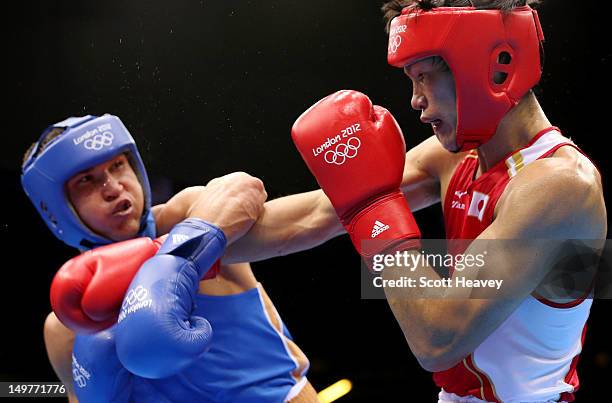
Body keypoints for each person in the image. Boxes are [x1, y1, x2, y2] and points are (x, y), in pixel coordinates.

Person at [286, 0, 605, 401]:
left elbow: (437, 341)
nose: (416, 100)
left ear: (494, 64)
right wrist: (196, 228)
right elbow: (317, 213)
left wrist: (374, 209)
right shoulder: (457, 161)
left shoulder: (562, 186)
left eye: (424, 76)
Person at [21, 114, 320, 402]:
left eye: (118, 166)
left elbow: (308, 219)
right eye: (87, 180)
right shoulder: (66, 328)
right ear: (57, 210)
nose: (113, 187)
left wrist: (364, 187)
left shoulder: (193, 216)